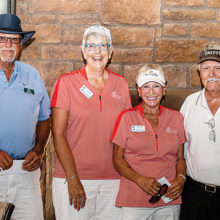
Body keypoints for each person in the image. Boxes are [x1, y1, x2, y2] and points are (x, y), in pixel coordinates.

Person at [51, 25, 131, 220]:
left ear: (110, 52)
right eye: (91, 46)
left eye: (103, 46)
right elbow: (58, 133)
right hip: (74, 178)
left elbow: (127, 136)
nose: (97, 51)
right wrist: (72, 178)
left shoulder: (120, 84)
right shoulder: (67, 82)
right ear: (83, 50)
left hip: (114, 179)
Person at [111, 64, 186, 220]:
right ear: (139, 90)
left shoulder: (176, 118)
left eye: (156, 86)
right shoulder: (126, 117)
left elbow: (180, 158)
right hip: (134, 199)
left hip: (169, 199)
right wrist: (140, 180)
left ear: (164, 89)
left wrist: (181, 178)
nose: (151, 92)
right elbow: (117, 158)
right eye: (146, 87)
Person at [0, 14, 51, 220]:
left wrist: (38, 150)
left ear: (21, 45)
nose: (8, 44)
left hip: (25, 171)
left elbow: (44, 118)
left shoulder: (32, 75)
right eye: (2, 38)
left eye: (14, 39)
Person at [180, 43, 220, 220]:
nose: (211, 74)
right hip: (195, 194)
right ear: (199, 73)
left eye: (218, 68)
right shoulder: (189, 103)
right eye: (206, 68)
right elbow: (179, 148)